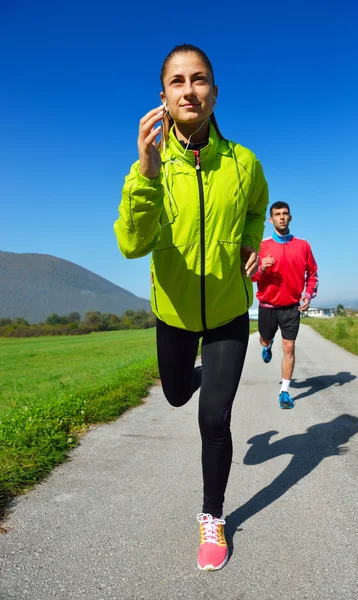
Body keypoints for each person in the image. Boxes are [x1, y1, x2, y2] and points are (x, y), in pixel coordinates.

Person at [114, 44, 268, 571]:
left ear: (214, 92)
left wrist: (251, 242)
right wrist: (147, 175)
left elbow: (254, 213)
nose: (189, 90)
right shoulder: (149, 168)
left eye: (199, 79)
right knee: (179, 393)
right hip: (175, 314)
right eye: (177, 82)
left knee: (213, 419)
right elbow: (132, 245)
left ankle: (213, 517)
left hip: (228, 312)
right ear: (163, 98)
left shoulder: (244, 162)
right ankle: (197, 376)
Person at [252, 201, 318, 409]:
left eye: (285, 213)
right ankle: (267, 345)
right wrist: (261, 267)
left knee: (289, 347)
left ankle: (284, 392)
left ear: (290, 217)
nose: (282, 217)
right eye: (277, 214)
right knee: (265, 338)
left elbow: (313, 274)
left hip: (291, 307)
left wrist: (308, 295)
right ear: (270, 220)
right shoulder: (261, 246)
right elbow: (251, 276)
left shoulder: (303, 245)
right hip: (268, 306)